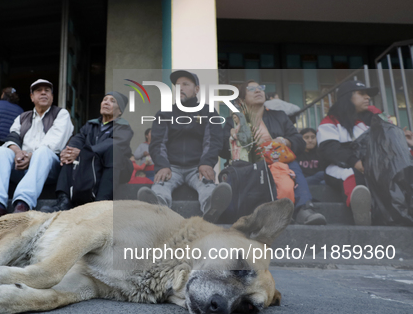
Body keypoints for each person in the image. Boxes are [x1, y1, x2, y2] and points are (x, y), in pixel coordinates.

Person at [221, 80, 326, 225]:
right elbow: (222, 150)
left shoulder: (279, 116)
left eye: (260, 88)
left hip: (278, 160)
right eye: (251, 89)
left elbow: (299, 141)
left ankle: (304, 209)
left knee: (292, 165)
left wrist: (286, 142)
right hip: (249, 165)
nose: (258, 91)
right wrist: (232, 139)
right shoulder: (231, 122)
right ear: (241, 99)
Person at [137, 70, 232, 223]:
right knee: (161, 187)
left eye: (186, 84)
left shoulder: (208, 112)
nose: (180, 88)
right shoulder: (164, 113)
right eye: (177, 85)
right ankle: (158, 207)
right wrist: (162, 165)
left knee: (207, 187)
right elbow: (157, 143)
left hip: (197, 167)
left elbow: (213, 140)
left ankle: (212, 209)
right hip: (171, 167)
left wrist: (207, 162)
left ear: (197, 89)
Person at [0, 79, 74, 220]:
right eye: (39, 91)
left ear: (52, 96)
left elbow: (54, 144)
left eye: (47, 90)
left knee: (43, 152)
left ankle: (23, 203)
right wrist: (18, 153)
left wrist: (30, 156)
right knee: (1, 151)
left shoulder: (61, 114)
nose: (43, 93)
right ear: (32, 97)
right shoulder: (22, 117)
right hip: (23, 165)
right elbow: (12, 137)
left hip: (49, 168)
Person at [317, 80, 405, 226]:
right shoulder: (330, 121)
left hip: (374, 168)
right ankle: (363, 212)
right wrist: (355, 162)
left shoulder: (375, 119)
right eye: (362, 94)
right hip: (340, 167)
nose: (367, 97)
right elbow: (329, 149)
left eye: (368, 95)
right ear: (347, 97)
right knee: (350, 174)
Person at [42, 92, 133, 212]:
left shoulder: (123, 127)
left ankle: (101, 202)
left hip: (117, 167)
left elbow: (113, 143)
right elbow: (78, 139)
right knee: (70, 154)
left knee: (113, 150)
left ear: (120, 111)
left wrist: (85, 152)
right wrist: (69, 151)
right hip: (92, 164)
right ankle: (63, 201)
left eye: (112, 101)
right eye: (105, 99)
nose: (106, 102)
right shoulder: (91, 125)